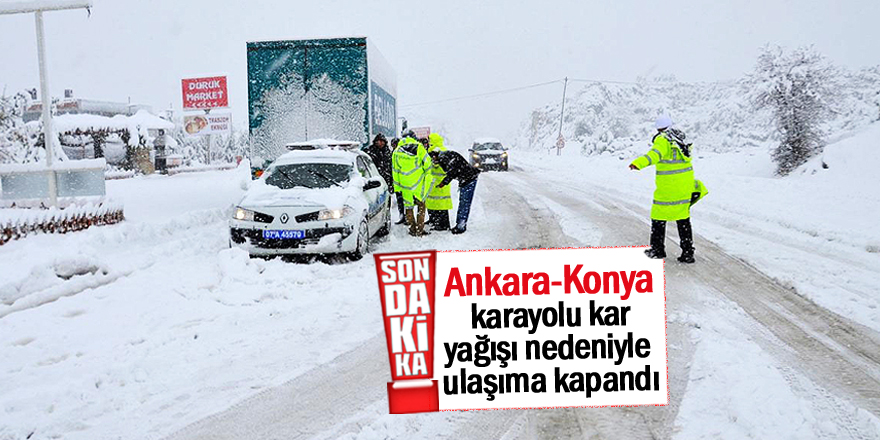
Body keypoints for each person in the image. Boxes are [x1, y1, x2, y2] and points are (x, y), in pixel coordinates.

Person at [629, 115, 708, 263]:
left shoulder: (663, 139)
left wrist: (638, 163)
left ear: (658, 128)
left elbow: (655, 155)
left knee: (658, 216)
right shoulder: (681, 139)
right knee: (682, 218)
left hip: (669, 186)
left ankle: (657, 250)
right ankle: (688, 253)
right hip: (685, 185)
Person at [428, 149, 480, 234]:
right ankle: (460, 224)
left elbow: (453, 171)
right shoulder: (445, 155)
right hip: (466, 178)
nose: (433, 162)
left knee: (464, 203)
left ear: (435, 156)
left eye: (433, 159)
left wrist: (444, 182)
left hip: (469, 179)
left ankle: (461, 226)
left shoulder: (443, 157)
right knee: (463, 203)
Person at [392, 136, 435, 236]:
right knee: (421, 206)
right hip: (418, 182)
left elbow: (395, 170)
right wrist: (427, 174)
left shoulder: (396, 151)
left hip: (405, 184)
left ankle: (412, 229)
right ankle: (420, 230)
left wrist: (397, 187)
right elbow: (427, 163)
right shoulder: (419, 147)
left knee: (408, 207)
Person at [363, 133, 397, 218]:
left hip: (385, 180)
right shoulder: (370, 151)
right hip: (374, 179)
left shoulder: (388, 152)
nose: (380, 143)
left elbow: (390, 167)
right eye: (379, 141)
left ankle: (383, 217)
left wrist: (391, 183)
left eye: (382, 141)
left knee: (384, 202)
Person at [425, 133, 453, 231]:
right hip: (434, 182)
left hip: (440, 182)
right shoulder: (434, 151)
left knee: (441, 204)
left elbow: (441, 166)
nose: (428, 143)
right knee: (433, 203)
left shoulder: (440, 151)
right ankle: (433, 220)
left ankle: (442, 224)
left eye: (430, 141)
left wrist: (435, 162)